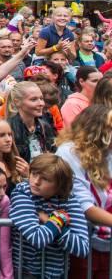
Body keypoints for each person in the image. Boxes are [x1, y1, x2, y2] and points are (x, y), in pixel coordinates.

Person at [9, 153, 89, 278]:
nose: (36, 182)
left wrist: (54, 220)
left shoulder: (69, 199)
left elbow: (82, 248)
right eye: (34, 174)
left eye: (45, 179)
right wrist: (60, 220)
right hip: (27, 273)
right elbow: (37, 238)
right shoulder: (22, 193)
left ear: (59, 185)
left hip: (57, 274)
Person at [56, 105, 112, 278]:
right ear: (98, 130)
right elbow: (83, 205)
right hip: (83, 243)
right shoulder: (69, 152)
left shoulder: (108, 152)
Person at [6, 81, 56, 162]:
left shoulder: (45, 125)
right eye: (33, 99)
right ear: (17, 102)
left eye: (41, 98)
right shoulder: (8, 129)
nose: (41, 103)